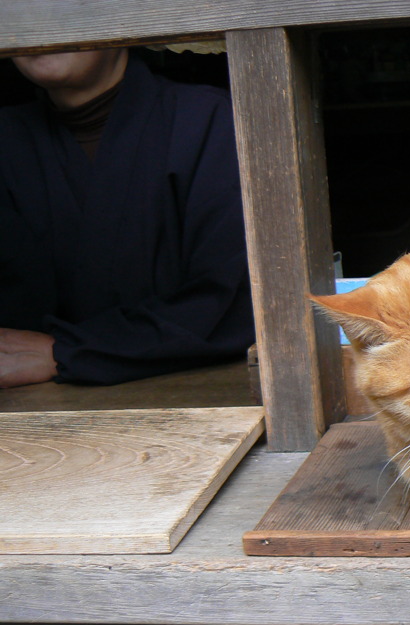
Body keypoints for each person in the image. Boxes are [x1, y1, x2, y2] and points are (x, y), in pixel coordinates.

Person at [0, 48, 254, 388]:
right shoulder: (7, 139)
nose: (45, 20)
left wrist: (69, 351)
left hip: (202, 398)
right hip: (35, 416)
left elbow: (234, 302)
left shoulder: (210, 119)